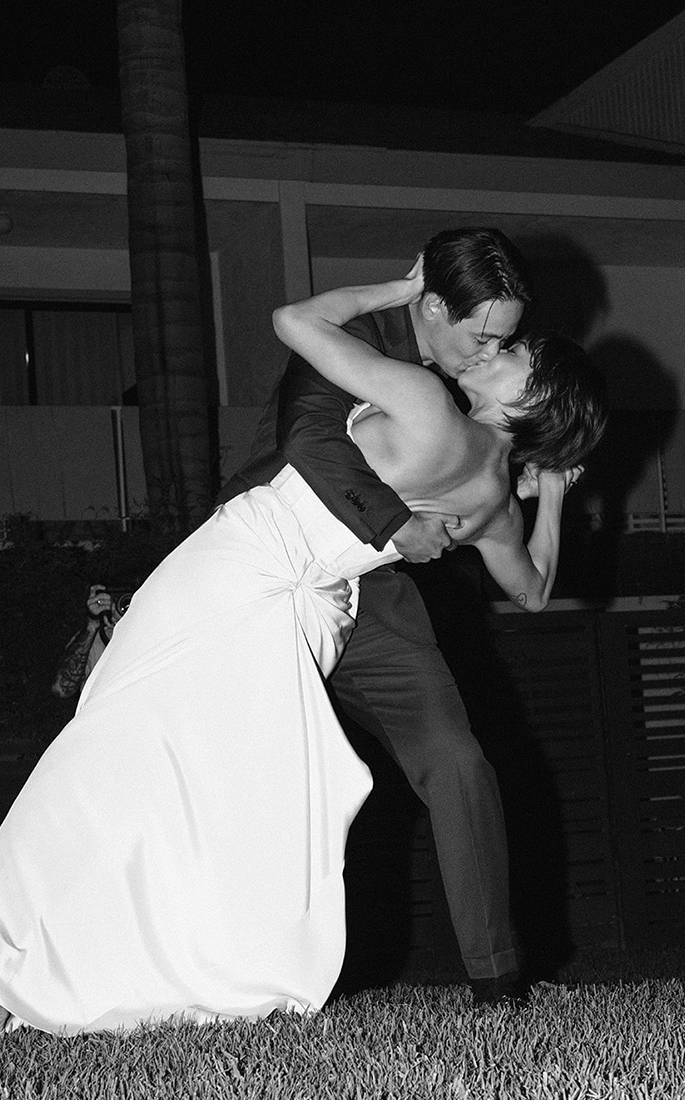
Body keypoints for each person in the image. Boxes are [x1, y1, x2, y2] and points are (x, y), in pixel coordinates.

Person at [0, 260, 605, 1041]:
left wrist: (393, 287)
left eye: (512, 355)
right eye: (492, 340)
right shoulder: (494, 502)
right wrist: (552, 491)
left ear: (536, 399)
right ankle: (163, 966)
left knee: (113, 744)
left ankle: (2, 962)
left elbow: (293, 323)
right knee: (211, 791)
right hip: (315, 608)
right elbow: (533, 590)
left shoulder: (423, 400)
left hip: (244, 569)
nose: (493, 351)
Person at [219, 227, 539, 1007]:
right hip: (269, 576)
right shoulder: (356, 335)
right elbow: (308, 438)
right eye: (482, 334)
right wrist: (397, 523)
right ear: (432, 305)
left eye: (506, 339)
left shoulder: (465, 386)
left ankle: (497, 978)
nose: (489, 352)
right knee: (258, 782)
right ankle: (246, 976)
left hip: (377, 592)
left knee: (456, 759)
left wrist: (532, 478)